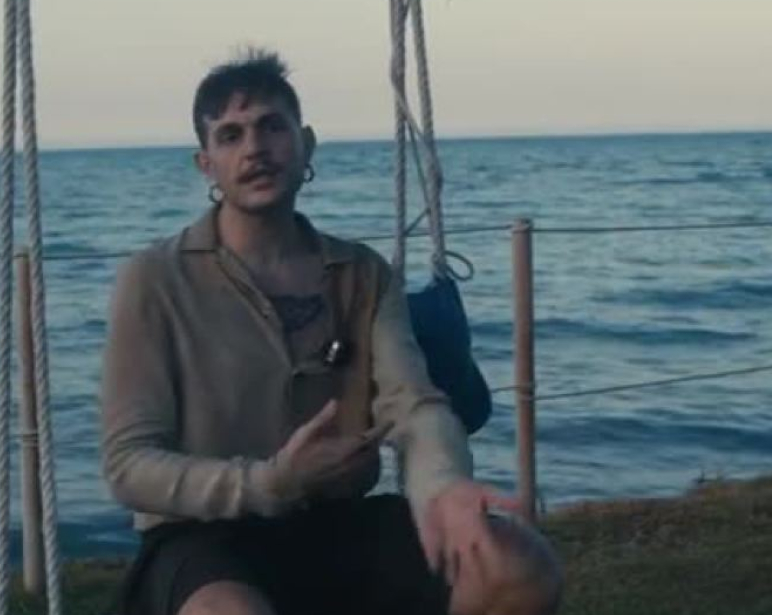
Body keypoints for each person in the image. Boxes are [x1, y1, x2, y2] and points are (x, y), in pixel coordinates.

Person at [100, 48, 562, 615]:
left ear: (306, 144)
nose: (255, 148)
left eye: (272, 126)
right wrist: (270, 482)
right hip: (202, 536)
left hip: (336, 523)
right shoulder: (154, 279)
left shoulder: (362, 273)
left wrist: (443, 487)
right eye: (231, 135)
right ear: (206, 165)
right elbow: (128, 464)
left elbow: (413, 406)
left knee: (518, 566)